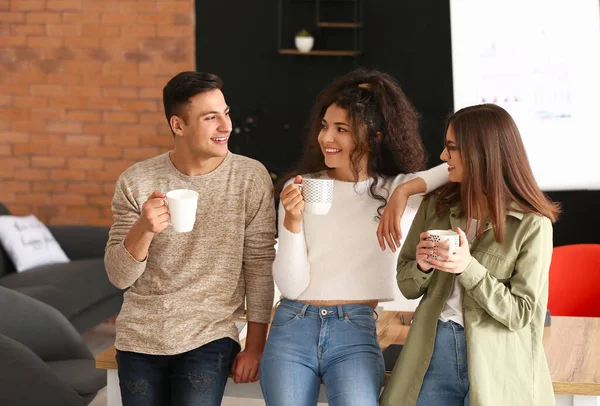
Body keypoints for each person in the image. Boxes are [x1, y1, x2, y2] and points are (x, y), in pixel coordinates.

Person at [258, 68, 449, 406]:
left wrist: (404, 189)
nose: (326, 138)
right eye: (324, 126)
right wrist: (291, 220)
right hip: (292, 323)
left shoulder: (396, 191)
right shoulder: (300, 188)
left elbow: (458, 166)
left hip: (355, 328)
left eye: (341, 129)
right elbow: (290, 286)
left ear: (375, 135)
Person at [104, 71, 276, 406]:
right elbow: (118, 277)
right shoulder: (136, 181)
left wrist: (255, 346)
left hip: (210, 335)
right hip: (139, 336)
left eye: (225, 114)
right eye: (211, 118)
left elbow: (259, 266)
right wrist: (144, 229)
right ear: (178, 125)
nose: (225, 126)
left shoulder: (249, 177)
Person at [380, 103, 560, 406]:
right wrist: (422, 266)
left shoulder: (532, 225)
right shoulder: (436, 207)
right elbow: (407, 286)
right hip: (433, 350)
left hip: (496, 363)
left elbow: (522, 314)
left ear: (480, 154)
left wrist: (469, 268)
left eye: (452, 148)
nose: (443, 157)